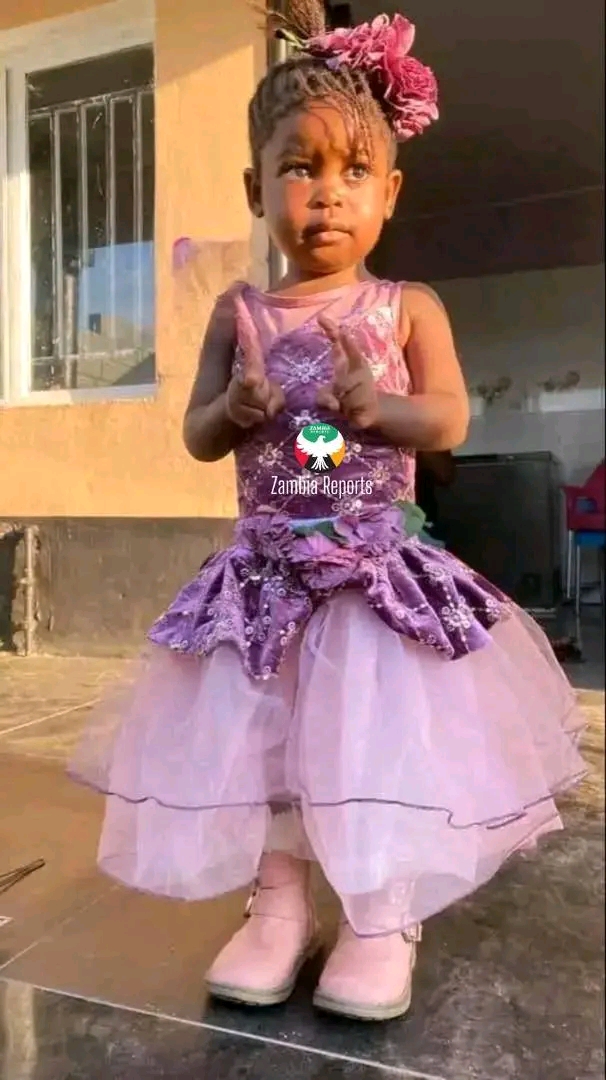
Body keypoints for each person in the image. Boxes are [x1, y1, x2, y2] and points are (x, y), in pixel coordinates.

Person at [69, 0, 586, 1022]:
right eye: (299, 168)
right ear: (255, 187)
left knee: (374, 745)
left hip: (375, 582)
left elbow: (448, 418)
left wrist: (378, 407)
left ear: (390, 191)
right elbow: (197, 433)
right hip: (264, 583)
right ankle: (276, 904)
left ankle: (381, 912)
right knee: (266, 747)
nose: (326, 193)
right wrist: (234, 408)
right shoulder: (240, 315)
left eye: (355, 170)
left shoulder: (409, 308)